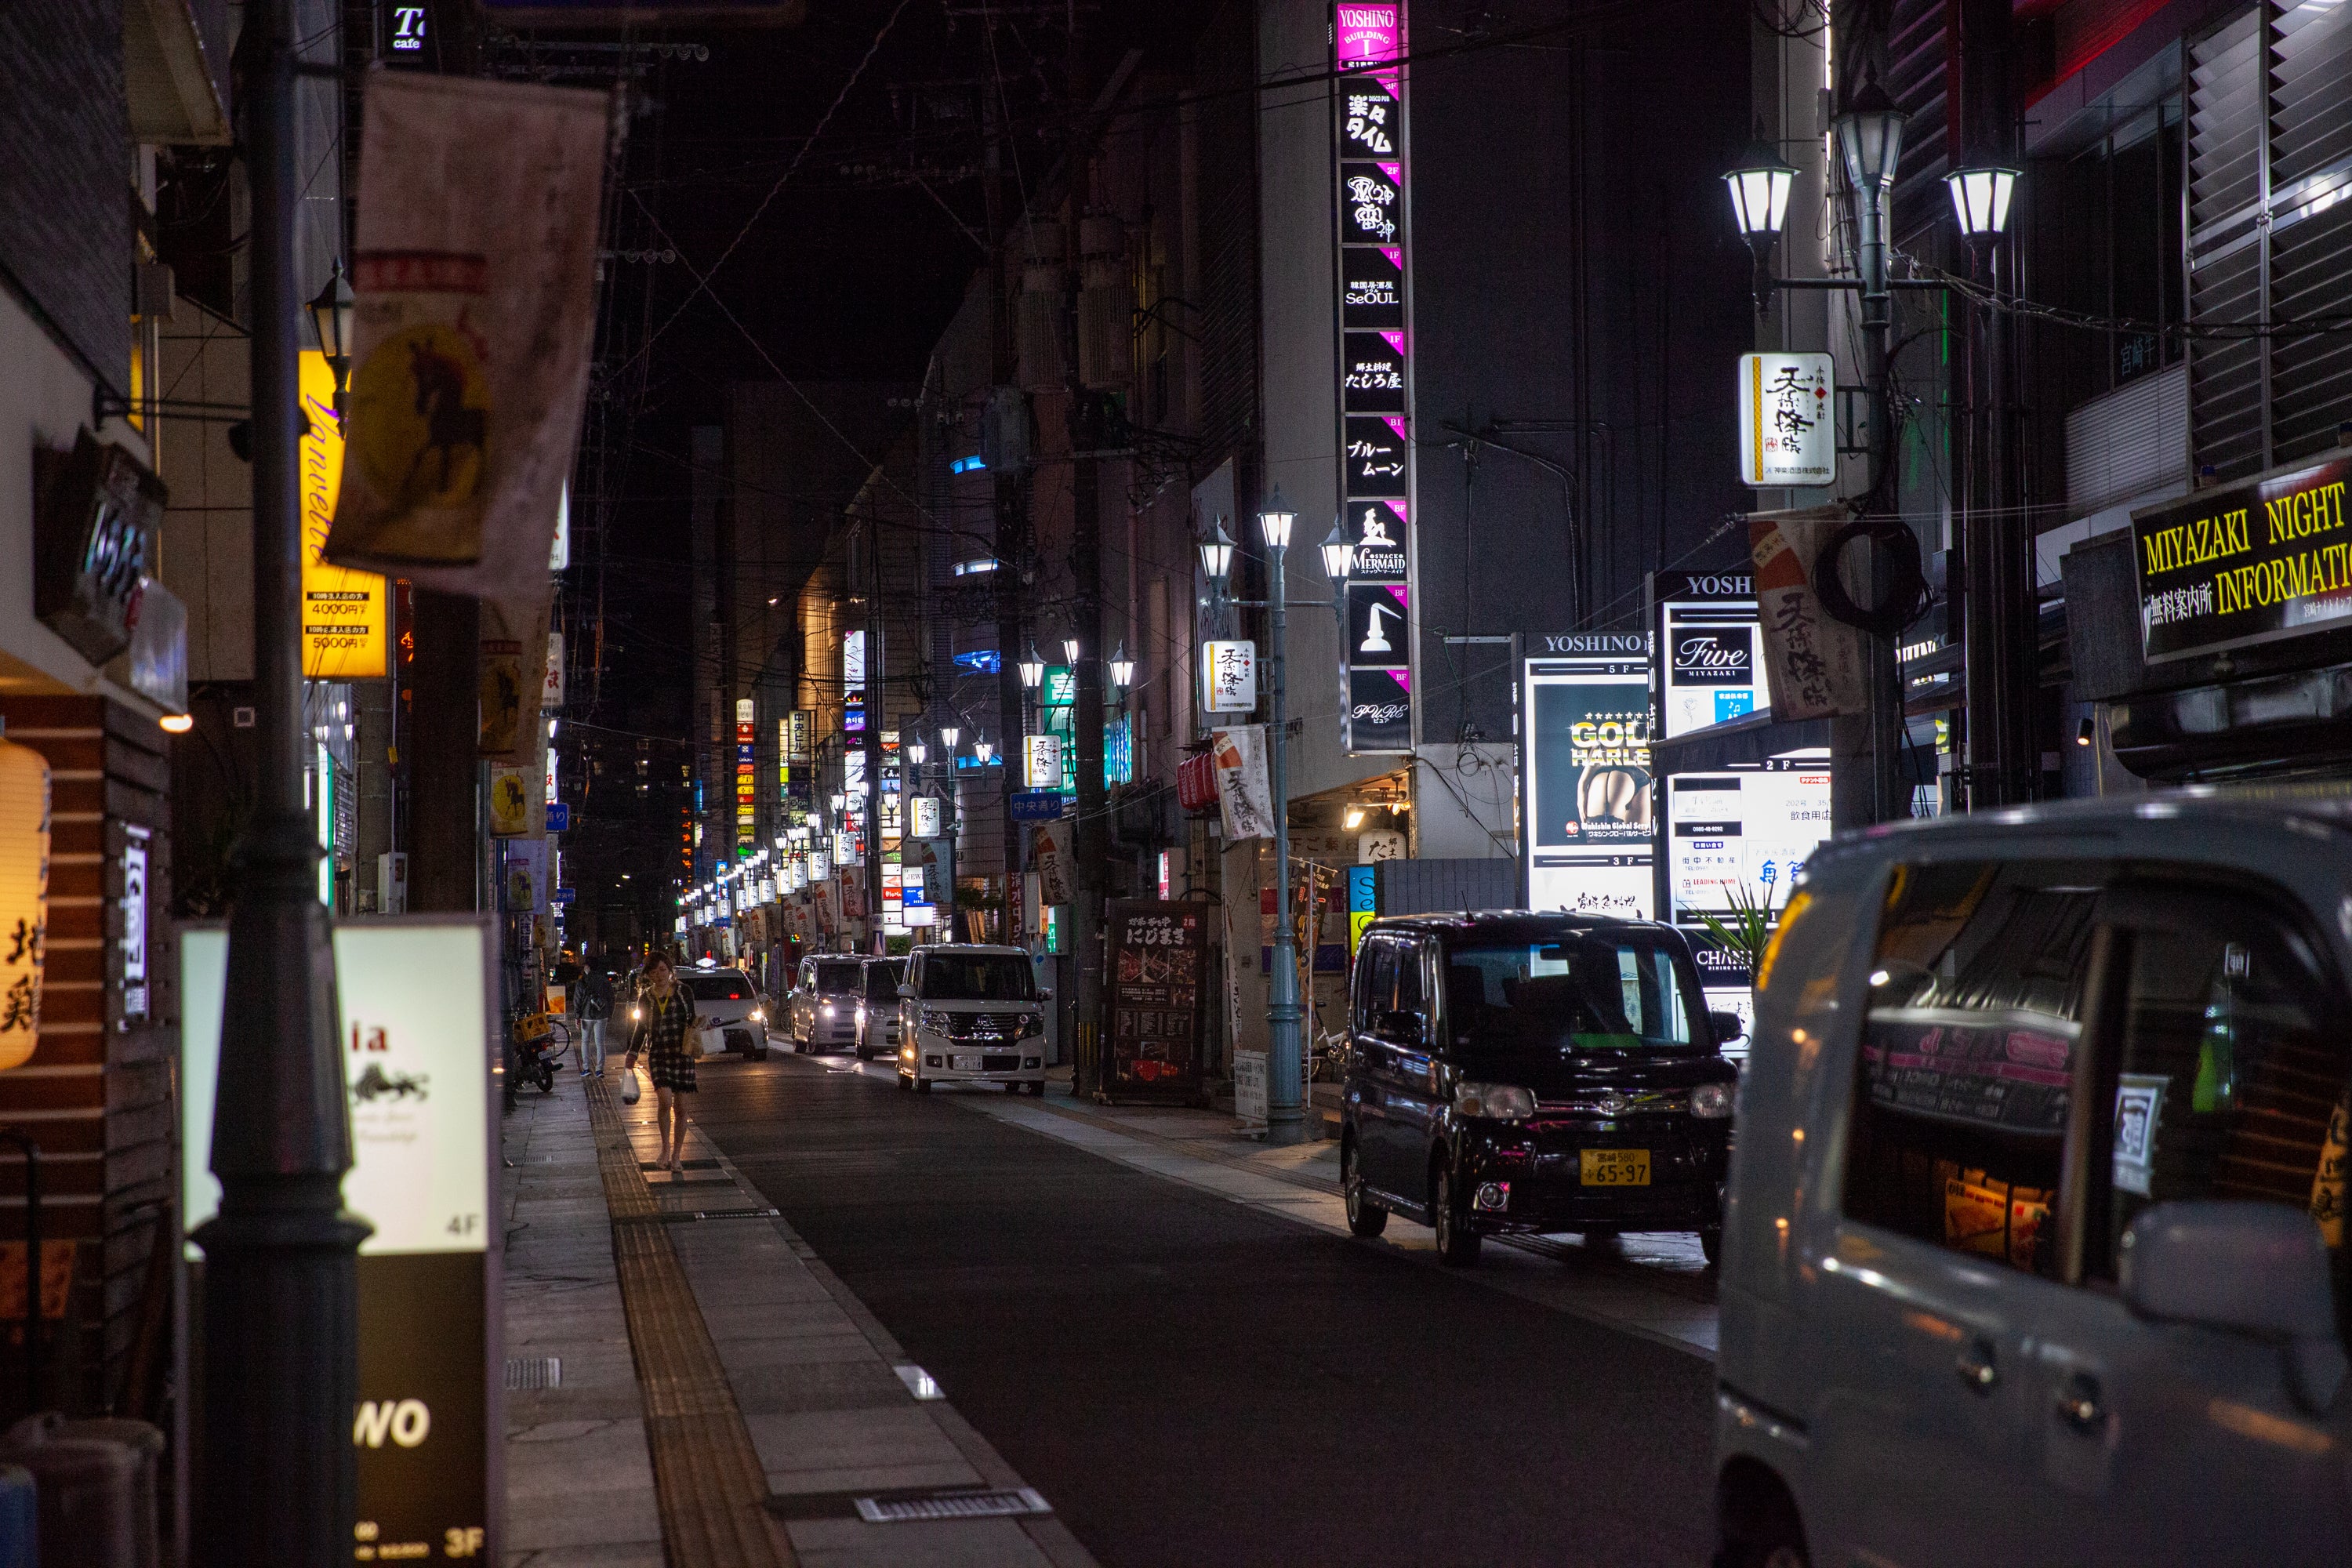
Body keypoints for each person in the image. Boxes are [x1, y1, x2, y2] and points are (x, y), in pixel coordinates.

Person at [624, 951, 698, 1175]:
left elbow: (692, 1019)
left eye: (663, 970)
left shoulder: (684, 992)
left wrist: (702, 1026)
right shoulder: (646, 998)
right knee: (665, 1101)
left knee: (682, 1108)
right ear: (648, 975)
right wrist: (633, 1052)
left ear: (670, 969)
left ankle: (676, 1155)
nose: (659, 975)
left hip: (683, 1054)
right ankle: (665, 1148)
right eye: (654, 972)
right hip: (659, 1054)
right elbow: (641, 1028)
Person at [575, 960, 615, 1080]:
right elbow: (611, 998)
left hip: (586, 1015)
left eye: (585, 966)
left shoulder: (582, 981)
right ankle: (599, 1070)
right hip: (602, 1015)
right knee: (600, 1042)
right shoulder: (604, 981)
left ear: (588, 967)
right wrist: (610, 1013)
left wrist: (577, 1016)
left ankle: (586, 1068)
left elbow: (577, 999)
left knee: (585, 1041)